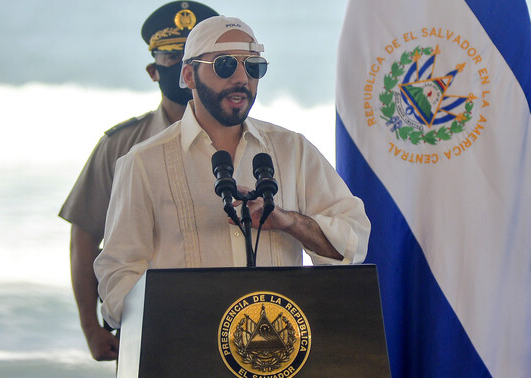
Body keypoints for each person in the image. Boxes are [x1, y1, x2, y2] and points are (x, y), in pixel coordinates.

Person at [94, 15, 371, 330]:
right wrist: (178, 321)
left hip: (280, 358)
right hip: (187, 357)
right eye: (225, 65)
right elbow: (116, 277)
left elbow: (353, 244)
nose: (242, 78)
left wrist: (289, 222)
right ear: (189, 75)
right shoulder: (143, 163)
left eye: (253, 67)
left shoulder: (293, 150)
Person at [58, 1, 218, 361]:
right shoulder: (121, 146)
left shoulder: (252, 142)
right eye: (172, 56)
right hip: (147, 323)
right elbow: (84, 234)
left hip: (228, 315)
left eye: (194, 56)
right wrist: (90, 327)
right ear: (152, 70)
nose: (183, 67)